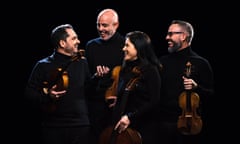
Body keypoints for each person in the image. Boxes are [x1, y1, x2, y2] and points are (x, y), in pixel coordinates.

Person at [24, 24, 91, 144]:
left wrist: (99, 78)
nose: (78, 41)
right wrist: (48, 96)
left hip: (79, 126)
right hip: (53, 127)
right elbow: (29, 93)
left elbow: (89, 89)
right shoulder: (43, 65)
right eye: (73, 38)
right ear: (62, 43)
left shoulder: (82, 63)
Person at [158, 20, 214, 144]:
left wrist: (196, 87)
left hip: (189, 125)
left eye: (171, 34)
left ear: (183, 36)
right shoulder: (162, 61)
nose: (167, 37)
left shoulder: (201, 63)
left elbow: (211, 94)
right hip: (162, 124)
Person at [100, 31, 162, 144]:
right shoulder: (125, 68)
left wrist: (130, 117)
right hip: (121, 124)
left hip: (142, 125)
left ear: (138, 47)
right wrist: (120, 100)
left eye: (127, 45)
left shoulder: (151, 70)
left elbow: (154, 101)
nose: (123, 48)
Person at [84, 8, 125, 144]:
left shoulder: (125, 45)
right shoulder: (91, 46)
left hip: (118, 104)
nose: (101, 29)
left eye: (105, 25)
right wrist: (96, 76)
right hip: (95, 105)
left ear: (116, 25)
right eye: (98, 25)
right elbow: (86, 78)